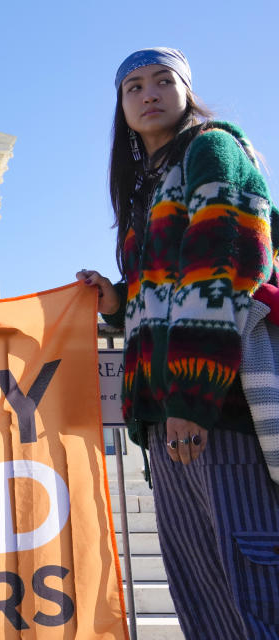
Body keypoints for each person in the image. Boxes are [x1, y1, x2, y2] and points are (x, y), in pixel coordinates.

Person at [79, 48, 279, 638]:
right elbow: (162, 288)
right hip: (165, 418)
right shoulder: (145, 186)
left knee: (251, 592)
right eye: (132, 87)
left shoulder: (210, 149)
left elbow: (222, 272)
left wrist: (190, 402)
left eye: (163, 81)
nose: (148, 94)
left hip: (217, 412)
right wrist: (117, 300)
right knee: (205, 601)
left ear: (186, 91)